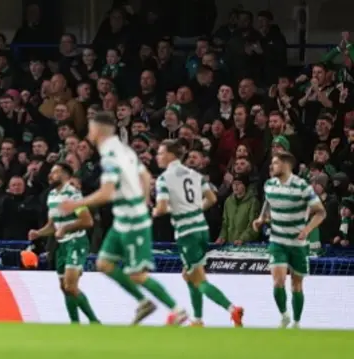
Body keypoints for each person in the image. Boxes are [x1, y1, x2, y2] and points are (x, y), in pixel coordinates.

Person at [59, 112, 186, 326]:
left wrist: (76, 204)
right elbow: (145, 175)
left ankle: (177, 309)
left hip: (132, 221)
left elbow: (107, 192)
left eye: (91, 128)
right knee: (104, 263)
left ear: (98, 130)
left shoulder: (110, 154)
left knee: (136, 273)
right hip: (123, 219)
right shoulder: (123, 150)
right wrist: (144, 199)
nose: (89, 132)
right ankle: (144, 301)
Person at [153, 139, 244, 327]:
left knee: (198, 279)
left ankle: (232, 309)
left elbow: (161, 208)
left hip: (187, 233)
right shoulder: (194, 174)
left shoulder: (164, 178)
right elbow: (212, 198)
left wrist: (158, 211)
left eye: (161, 153)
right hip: (201, 229)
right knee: (188, 274)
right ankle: (197, 319)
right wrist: (194, 210)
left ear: (171, 155)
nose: (158, 157)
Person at [252, 151, 326, 328]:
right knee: (278, 280)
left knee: (296, 285)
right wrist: (261, 219)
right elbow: (268, 203)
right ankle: (284, 315)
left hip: (298, 244)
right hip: (277, 241)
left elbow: (321, 212)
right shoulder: (269, 184)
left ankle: (297, 322)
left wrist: (307, 229)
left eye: (276, 163)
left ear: (286, 165)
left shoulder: (302, 187)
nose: (272, 166)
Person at [28, 162, 98, 324]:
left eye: (55, 172)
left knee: (70, 286)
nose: (50, 175)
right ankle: (74, 324)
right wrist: (38, 233)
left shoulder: (73, 194)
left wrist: (66, 228)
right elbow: (53, 225)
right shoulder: (52, 195)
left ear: (66, 175)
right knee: (64, 288)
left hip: (76, 242)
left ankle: (95, 322)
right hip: (62, 245)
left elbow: (87, 221)